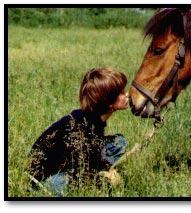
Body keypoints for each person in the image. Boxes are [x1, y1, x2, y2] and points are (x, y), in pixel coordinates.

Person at [27, 67, 129, 196]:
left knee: (119, 142)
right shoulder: (79, 129)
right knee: (68, 185)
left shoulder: (93, 119)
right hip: (46, 178)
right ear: (109, 102)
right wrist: (104, 181)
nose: (127, 94)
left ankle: (101, 171)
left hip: (71, 164)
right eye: (121, 93)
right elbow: (79, 175)